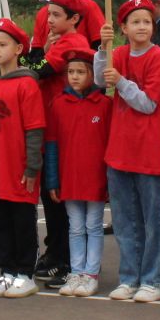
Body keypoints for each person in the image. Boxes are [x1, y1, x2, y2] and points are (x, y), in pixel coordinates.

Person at [98, 0, 160, 302]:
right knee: (125, 221)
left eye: (147, 21)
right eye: (135, 22)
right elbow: (98, 76)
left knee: (152, 220)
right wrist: (103, 48)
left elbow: (147, 103)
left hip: (148, 151)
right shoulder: (118, 54)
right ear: (124, 28)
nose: (142, 27)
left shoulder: (159, 59)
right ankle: (129, 277)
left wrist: (124, 82)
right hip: (119, 150)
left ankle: (155, 279)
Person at [0, 19, 45, 298]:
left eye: (3, 45)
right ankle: (6, 271)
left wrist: (31, 166)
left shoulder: (27, 85)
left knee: (21, 220)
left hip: (17, 166)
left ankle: (25, 273)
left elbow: (34, 129)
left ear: (18, 48)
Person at [33, 0, 95, 280]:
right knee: (51, 195)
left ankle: (65, 258)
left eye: (57, 15)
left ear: (74, 19)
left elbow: (38, 70)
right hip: (51, 123)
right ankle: (56, 251)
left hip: (61, 126)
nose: (50, 19)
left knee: (57, 197)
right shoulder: (57, 41)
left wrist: (36, 52)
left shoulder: (71, 42)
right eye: (49, 14)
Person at [52, 54, 111, 296]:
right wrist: (53, 180)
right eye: (70, 72)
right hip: (70, 178)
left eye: (80, 72)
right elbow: (53, 145)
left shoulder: (105, 106)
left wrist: (109, 181)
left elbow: (110, 144)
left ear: (92, 74)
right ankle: (77, 272)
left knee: (93, 226)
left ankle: (91, 274)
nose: (74, 77)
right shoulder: (58, 104)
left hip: (95, 179)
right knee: (75, 227)